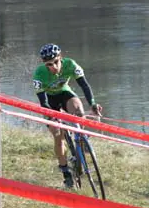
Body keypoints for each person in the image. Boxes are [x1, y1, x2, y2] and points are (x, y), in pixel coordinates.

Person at [32, 43, 103, 189]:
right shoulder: (39, 73)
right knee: (58, 135)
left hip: (65, 93)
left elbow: (84, 85)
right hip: (49, 101)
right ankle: (66, 173)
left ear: (61, 58)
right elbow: (43, 102)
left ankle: (82, 140)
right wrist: (52, 116)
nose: (54, 67)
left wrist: (93, 104)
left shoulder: (70, 64)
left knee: (78, 109)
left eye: (56, 62)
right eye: (49, 65)